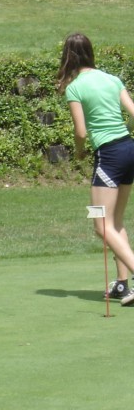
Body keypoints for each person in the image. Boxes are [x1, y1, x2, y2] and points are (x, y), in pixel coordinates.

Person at [59, 32, 134, 305]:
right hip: (129, 149)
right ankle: (122, 286)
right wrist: (126, 133)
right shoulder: (112, 79)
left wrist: (79, 153)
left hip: (108, 155)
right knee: (115, 222)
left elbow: (80, 131)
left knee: (100, 226)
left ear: (68, 57)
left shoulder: (75, 87)